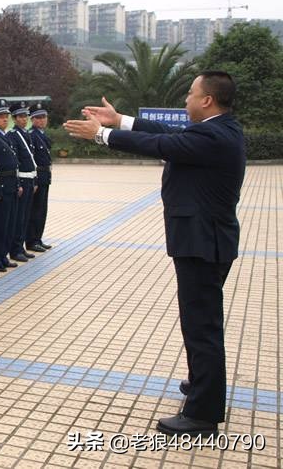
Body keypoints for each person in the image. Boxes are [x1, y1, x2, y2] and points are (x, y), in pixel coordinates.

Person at [63, 71, 246, 436]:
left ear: (207, 100)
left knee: (202, 327)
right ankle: (200, 387)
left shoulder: (213, 136)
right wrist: (121, 120)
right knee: (198, 322)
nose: (186, 100)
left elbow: (161, 146)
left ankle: (202, 415)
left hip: (202, 243)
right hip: (204, 240)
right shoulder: (218, 130)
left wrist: (102, 134)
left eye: (191, 93)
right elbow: (169, 135)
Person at [0, 99, 22, 272]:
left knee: (9, 223)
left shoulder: (4, 136)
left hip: (12, 184)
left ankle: (3, 255)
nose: (4, 119)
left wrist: (17, 184)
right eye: (0, 117)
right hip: (2, 184)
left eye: (6, 116)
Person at [7, 101, 38, 262]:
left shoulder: (26, 134)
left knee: (25, 216)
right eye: (20, 116)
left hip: (29, 179)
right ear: (14, 118)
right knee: (18, 218)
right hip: (21, 179)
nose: (24, 119)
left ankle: (20, 246)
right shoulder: (13, 135)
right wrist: (18, 182)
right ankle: (15, 249)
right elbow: (16, 160)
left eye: (25, 116)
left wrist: (34, 180)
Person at [26, 102, 53, 252]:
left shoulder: (42, 135)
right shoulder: (31, 136)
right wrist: (35, 179)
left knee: (42, 209)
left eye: (44, 117)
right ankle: (31, 241)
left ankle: (38, 238)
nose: (42, 120)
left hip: (45, 176)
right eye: (38, 118)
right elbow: (31, 160)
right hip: (38, 176)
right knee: (35, 210)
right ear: (33, 120)